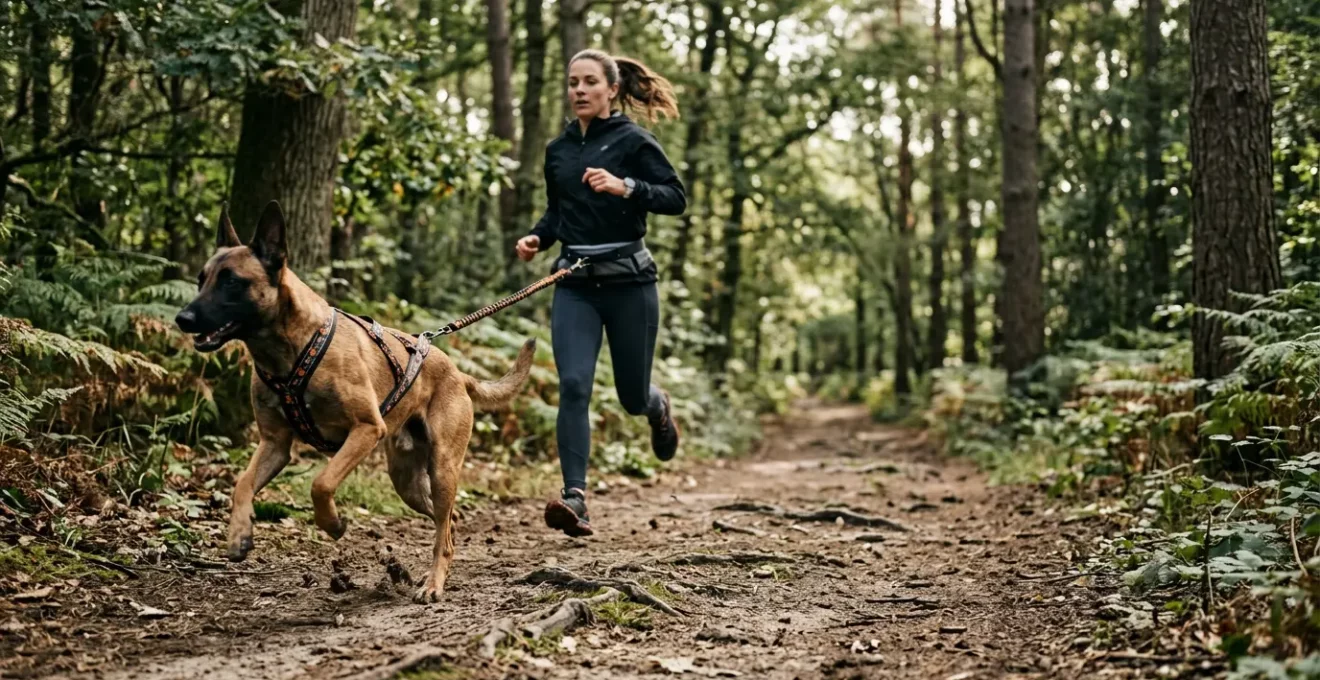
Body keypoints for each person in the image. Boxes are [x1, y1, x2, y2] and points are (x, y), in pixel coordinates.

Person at [515, 49, 686, 537]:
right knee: (573, 385)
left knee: (632, 396)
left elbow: (675, 197)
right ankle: (576, 499)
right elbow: (558, 214)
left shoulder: (634, 140)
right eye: (573, 83)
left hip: (630, 284)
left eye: (590, 82)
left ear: (612, 89)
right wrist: (538, 238)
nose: (580, 91)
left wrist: (627, 186)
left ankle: (657, 407)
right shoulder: (559, 150)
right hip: (576, 284)